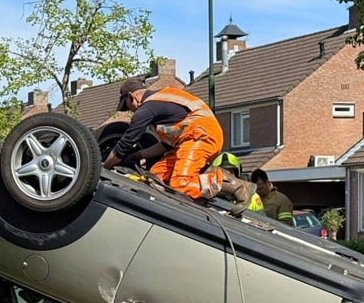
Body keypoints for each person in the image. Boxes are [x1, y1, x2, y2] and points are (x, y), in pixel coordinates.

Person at [102, 78, 254, 215]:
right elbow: (167, 145)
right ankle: (198, 189)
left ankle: (236, 186)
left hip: (201, 136)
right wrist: (138, 155)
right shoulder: (162, 103)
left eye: (127, 106)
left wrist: (105, 167)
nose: (129, 111)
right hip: (192, 138)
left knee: (180, 183)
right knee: (157, 177)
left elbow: (126, 142)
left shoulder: (147, 108)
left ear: (131, 96)